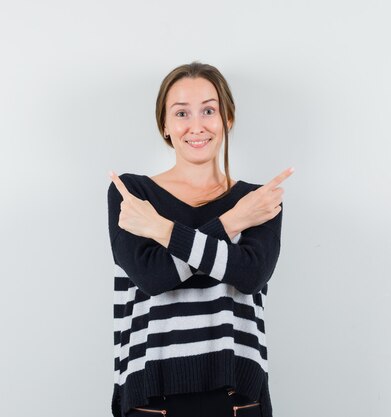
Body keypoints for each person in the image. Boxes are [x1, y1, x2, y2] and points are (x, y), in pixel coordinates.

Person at [107, 61, 294, 417]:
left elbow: (250, 276)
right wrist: (233, 221)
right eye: (181, 113)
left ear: (228, 118)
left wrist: (162, 230)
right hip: (150, 399)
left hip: (238, 398)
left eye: (209, 110)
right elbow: (153, 277)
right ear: (164, 124)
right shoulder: (132, 194)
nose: (196, 126)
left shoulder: (259, 200)